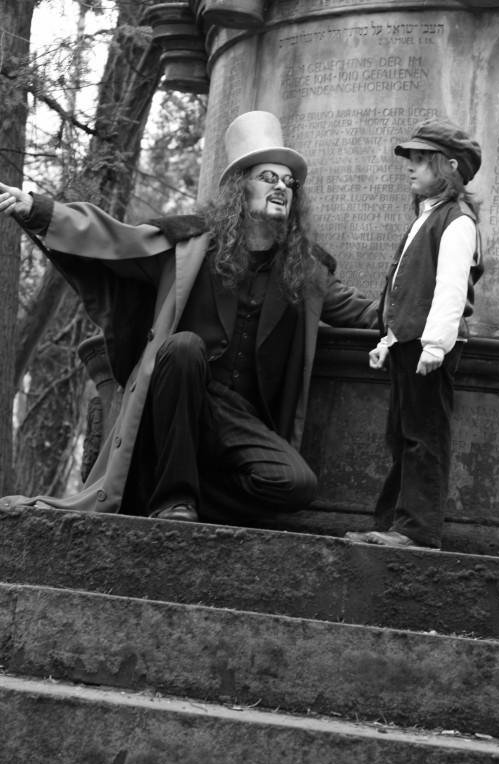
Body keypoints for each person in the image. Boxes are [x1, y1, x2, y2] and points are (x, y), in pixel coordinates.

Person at [0, 110, 378, 524]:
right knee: (184, 347)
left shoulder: (305, 270)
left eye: (289, 183)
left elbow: (365, 313)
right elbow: (114, 238)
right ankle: (173, 500)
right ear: (240, 187)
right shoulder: (191, 244)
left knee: (296, 485)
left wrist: (426, 316)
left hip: (238, 420)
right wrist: (39, 210)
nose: (281, 188)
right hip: (177, 397)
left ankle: (178, 495)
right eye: (268, 178)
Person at [347, 118, 482, 549]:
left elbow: (450, 289)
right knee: (403, 435)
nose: (410, 166)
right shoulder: (426, 216)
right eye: (412, 159)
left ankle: (417, 531)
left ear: (450, 167)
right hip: (409, 345)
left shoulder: (457, 221)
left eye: (422, 160)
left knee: (425, 437)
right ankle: (393, 524)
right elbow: (406, 288)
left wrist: (435, 345)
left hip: (429, 347)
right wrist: (388, 340)